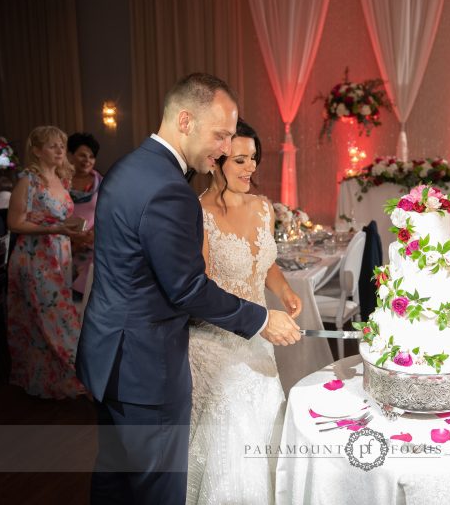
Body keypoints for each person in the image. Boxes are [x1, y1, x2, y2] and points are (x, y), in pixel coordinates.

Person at [75, 73, 301, 505]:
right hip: (146, 368)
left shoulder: (127, 167)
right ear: (184, 121)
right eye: (219, 135)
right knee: (157, 490)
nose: (222, 149)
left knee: (114, 480)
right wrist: (259, 319)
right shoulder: (170, 191)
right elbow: (187, 288)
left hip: (108, 355)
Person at [186, 119, 302, 504]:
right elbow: (199, 292)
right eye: (239, 160)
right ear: (216, 161)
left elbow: (265, 263)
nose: (250, 167)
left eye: (253, 158)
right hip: (215, 342)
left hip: (259, 343)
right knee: (234, 431)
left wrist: (285, 291)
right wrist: (260, 322)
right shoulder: (197, 214)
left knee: (265, 427)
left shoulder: (263, 207)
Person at [6, 126, 86, 399]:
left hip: (59, 254)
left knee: (48, 317)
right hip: (35, 257)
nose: (60, 150)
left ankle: (49, 378)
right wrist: (56, 230)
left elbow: (57, 218)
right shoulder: (29, 180)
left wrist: (70, 229)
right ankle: (83, 373)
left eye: (61, 145)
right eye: (53, 146)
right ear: (37, 150)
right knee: (57, 316)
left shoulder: (62, 179)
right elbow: (14, 223)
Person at [67, 132, 102, 298]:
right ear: (71, 155)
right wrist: (73, 239)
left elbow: (107, 214)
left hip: (91, 241)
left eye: (91, 156)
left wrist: (89, 236)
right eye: (82, 155)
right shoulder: (59, 182)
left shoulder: (101, 183)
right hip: (63, 239)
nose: (87, 160)